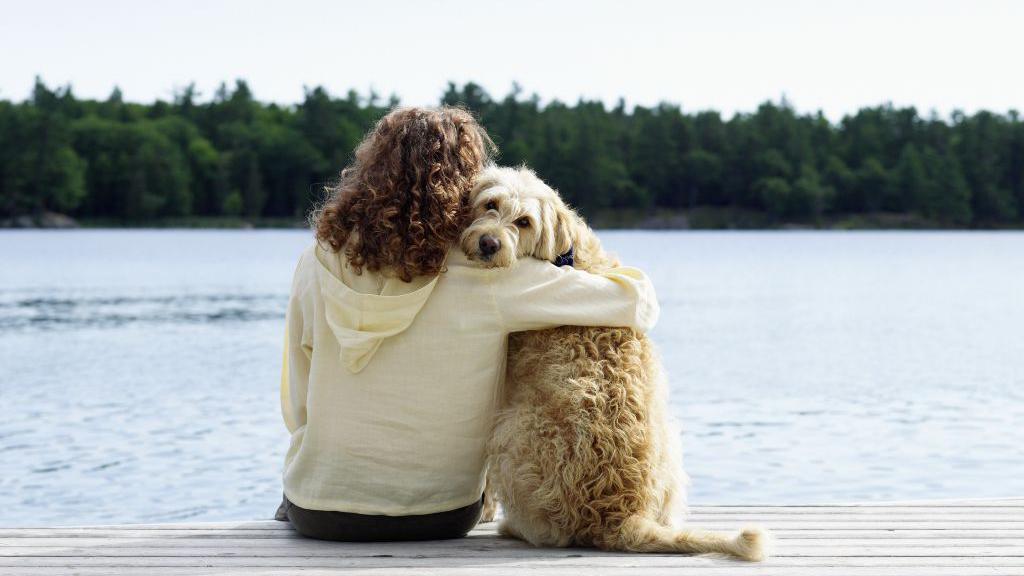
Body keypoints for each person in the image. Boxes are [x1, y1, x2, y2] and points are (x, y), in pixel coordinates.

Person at [278, 106, 659, 541]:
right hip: (441, 514)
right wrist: (572, 251)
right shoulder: (492, 277)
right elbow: (638, 303)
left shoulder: (316, 261)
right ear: (462, 187)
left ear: (368, 172)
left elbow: (296, 401)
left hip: (318, 511)